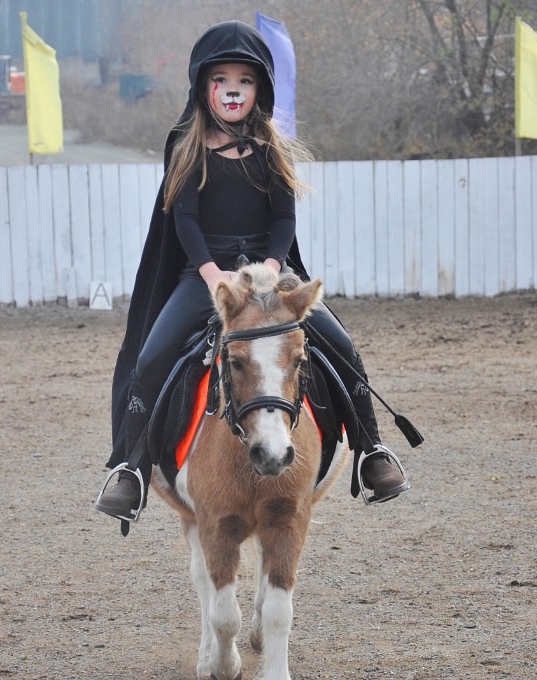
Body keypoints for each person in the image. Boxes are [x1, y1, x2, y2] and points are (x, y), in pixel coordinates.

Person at [95, 20, 410, 522]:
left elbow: (284, 218)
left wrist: (272, 266)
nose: (232, 90)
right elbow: (185, 220)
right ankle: (131, 468)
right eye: (221, 80)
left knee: (341, 345)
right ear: (203, 87)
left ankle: (371, 450)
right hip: (206, 277)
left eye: (244, 80)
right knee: (151, 357)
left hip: (271, 273)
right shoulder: (188, 146)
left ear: (258, 88)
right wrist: (211, 274)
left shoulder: (271, 148)